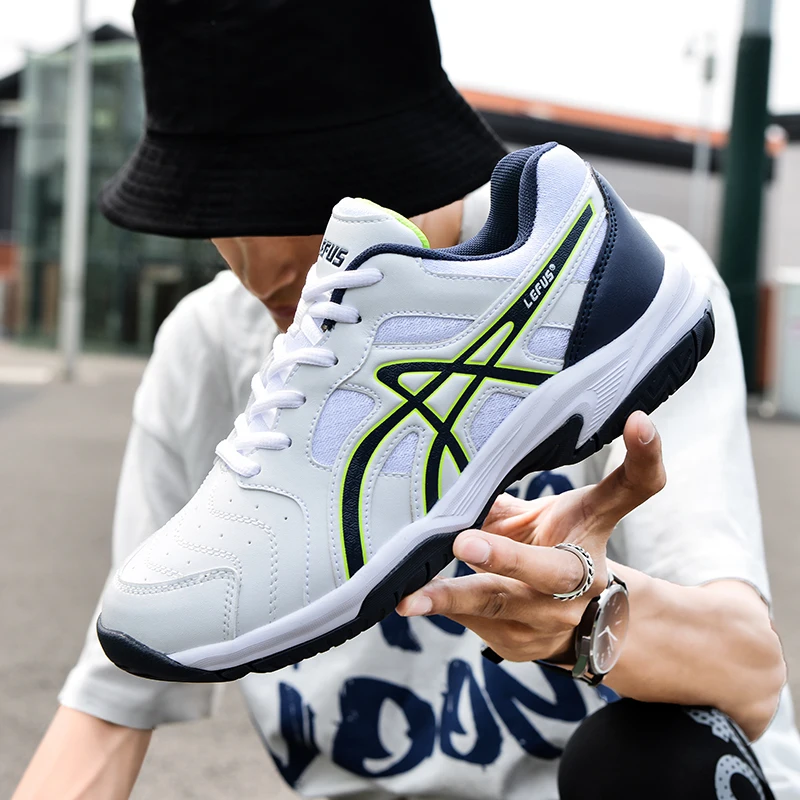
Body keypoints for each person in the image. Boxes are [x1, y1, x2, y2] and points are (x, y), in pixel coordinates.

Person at [12, 1, 800, 798]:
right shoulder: (207, 342)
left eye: (289, 196)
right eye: (215, 207)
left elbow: (752, 679)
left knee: (655, 764)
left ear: (406, 153)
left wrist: (586, 618)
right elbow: (110, 709)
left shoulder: (604, 293)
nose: (255, 264)